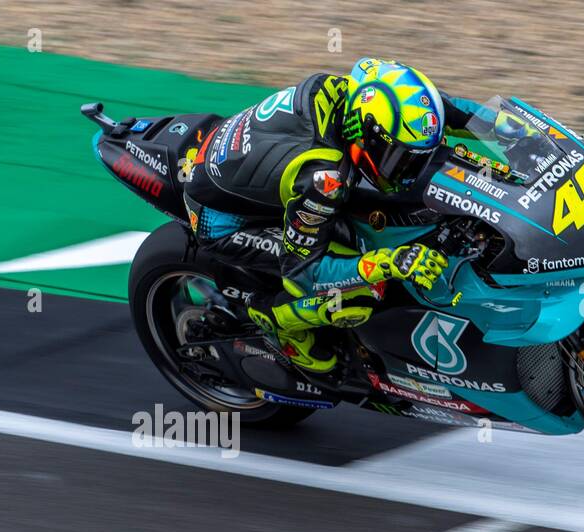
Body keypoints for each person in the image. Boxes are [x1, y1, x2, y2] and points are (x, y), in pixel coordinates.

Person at [183, 57, 482, 371]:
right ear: (365, 135)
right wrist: (392, 262)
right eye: (400, 159)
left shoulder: (356, 98)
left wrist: (508, 129)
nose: (408, 172)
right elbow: (304, 273)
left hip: (243, 164)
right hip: (223, 220)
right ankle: (276, 320)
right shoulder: (324, 179)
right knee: (361, 293)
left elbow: (447, 112)